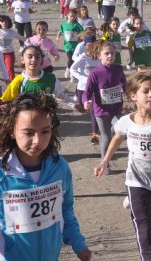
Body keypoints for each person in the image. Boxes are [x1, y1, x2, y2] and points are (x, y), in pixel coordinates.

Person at [94, 71, 151, 261]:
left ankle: (137, 212)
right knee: (144, 226)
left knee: (149, 221)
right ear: (133, 96)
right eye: (146, 91)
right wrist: (105, 160)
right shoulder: (125, 122)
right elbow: (117, 139)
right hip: (135, 179)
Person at [0, 93, 92, 261]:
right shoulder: (2, 173)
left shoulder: (60, 167)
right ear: (12, 130)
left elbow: (66, 209)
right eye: (28, 132)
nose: (37, 140)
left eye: (45, 131)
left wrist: (79, 244)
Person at [83, 41, 126, 169]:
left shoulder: (118, 68)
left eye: (112, 53)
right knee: (106, 137)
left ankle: (113, 140)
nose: (110, 56)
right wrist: (86, 101)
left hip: (117, 108)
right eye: (106, 53)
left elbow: (124, 82)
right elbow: (87, 92)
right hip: (101, 111)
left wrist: (128, 90)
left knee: (122, 130)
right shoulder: (95, 73)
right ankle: (104, 163)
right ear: (99, 56)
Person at [70, 36, 101, 144]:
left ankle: (95, 135)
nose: (89, 47)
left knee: (94, 111)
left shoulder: (99, 58)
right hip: (82, 87)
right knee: (82, 107)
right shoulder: (83, 57)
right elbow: (72, 69)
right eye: (87, 45)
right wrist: (83, 78)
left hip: (95, 88)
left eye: (91, 45)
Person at [57, 9, 84, 78]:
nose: (72, 18)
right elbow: (60, 31)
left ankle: (70, 71)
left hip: (75, 45)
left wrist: (80, 38)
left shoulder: (77, 25)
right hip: (67, 46)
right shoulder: (64, 24)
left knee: (73, 59)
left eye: (74, 16)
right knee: (70, 59)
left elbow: (82, 33)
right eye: (71, 16)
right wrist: (58, 37)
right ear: (67, 15)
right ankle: (69, 70)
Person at [0, 15, 25, 80]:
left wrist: (32, 39)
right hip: (0, 54)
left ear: (9, 23)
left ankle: (12, 83)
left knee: (10, 70)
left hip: (9, 54)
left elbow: (21, 38)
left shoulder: (12, 32)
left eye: (6, 22)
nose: (4, 23)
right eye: (2, 21)